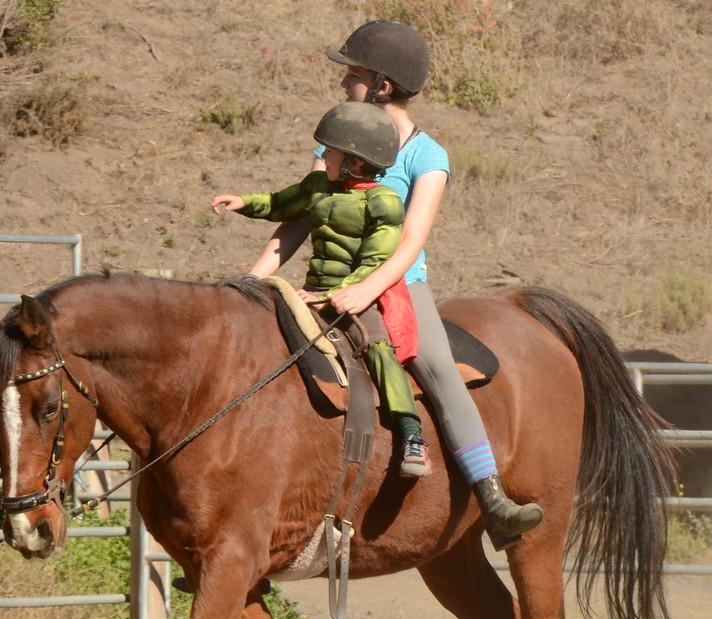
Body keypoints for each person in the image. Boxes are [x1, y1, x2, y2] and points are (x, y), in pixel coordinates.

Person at [245, 20, 542, 549]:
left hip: (397, 285)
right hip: (326, 280)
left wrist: (366, 291)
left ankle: (491, 495)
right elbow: (296, 219)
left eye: (352, 75)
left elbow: (410, 240)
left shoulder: (428, 156)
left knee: (436, 365)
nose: (343, 85)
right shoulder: (337, 139)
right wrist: (249, 281)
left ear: (381, 86)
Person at [212, 102, 431, 478]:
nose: (323, 156)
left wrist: (337, 295)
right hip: (312, 289)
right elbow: (282, 203)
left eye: (330, 151)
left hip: (358, 294)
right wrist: (244, 203)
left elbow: (375, 261)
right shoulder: (318, 186)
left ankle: (411, 432)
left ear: (356, 162)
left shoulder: (384, 202)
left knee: (379, 346)